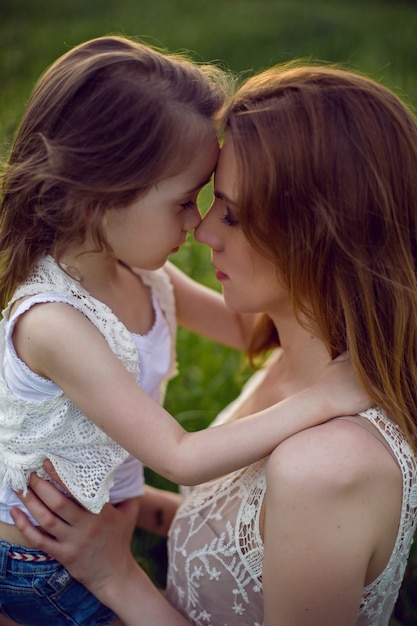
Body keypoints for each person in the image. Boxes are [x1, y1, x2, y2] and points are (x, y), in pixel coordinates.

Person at [12, 62, 414, 626]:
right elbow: (237, 532)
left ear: (322, 234)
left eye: (233, 212)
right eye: (199, 202)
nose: (202, 231)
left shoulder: (327, 465)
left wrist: (116, 577)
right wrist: (134, 513)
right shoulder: (295, 366)